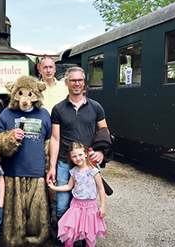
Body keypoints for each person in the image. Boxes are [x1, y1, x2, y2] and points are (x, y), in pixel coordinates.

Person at [46, 67, 110, 245]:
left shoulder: (96, 107)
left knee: (87, 204)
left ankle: (83, 237)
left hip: (87, 164)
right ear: (66, 83)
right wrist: (52, 167)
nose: (76, 83)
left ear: (84, 83)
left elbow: (104, 132)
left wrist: (100, 152)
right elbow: (55, 138)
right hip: (64, 164)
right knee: (62, 205)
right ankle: (64, 237)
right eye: (72, 80)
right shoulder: (58, 109)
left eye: (80, 80)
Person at [0, 76, 52, 247]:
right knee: (13, 221)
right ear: (15, 94)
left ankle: (36, 243)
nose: (25, 99)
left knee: (36, 219)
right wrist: (10, 137)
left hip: (37, 173)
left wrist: (49, 169)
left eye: (30, 94)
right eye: (21, 93)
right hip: (12, 173)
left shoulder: (44, 114)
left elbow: (49, 143)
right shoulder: (6, 114)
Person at [48, 142, 106, 247]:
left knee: (89, 232)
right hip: (76, 206)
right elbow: (69, 186)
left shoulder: (94, 171)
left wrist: (102, 207)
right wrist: (54, 187)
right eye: (74, 156)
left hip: (90, 207)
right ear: (71, 158)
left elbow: (101, 189)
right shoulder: (74, 171)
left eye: (80, 155)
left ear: (86, 154)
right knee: (70, 232)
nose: (78, 158)